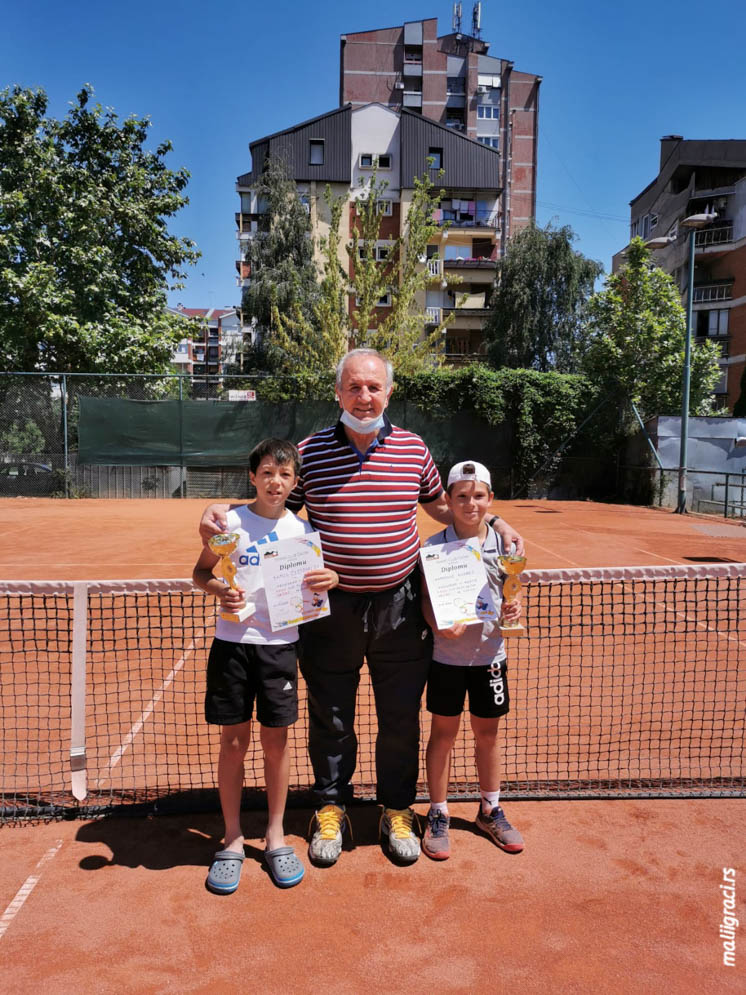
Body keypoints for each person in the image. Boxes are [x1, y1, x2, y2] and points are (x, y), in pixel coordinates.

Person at [199, 349, 523, 866]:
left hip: (401, 605)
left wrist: (498, 521)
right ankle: (331, 807)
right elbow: (274, 505)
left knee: (399, 716)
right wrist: (224, 512)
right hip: (329, 608)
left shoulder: (414, 449)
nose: (364, 397)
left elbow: (444, 505)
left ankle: (397, 809)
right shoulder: (309, 453)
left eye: (374, 387)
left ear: (389, 393)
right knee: (331, 714)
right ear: (338, 392)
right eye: (354, 387)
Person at [193, 438, 338, 892]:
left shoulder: (301, 533)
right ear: (253, 477)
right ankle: (233, 838)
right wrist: (220, 591)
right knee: (234, 742)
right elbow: (201, 573)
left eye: (286, 475)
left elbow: (314, 589)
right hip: (232, 645)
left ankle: (275, 835)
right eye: (268, 473)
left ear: (295, 483)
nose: (276, 482)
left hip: (280, 648)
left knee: (277, 742)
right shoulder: (230, 521)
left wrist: (329, 579)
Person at [420, 460, 524, 861]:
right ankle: (439, 812)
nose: (470, 503)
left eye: (478, 496)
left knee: (488, 736)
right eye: (461, 496)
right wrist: (437, 624)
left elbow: (512, 592)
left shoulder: (507, 546)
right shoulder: (433, 547)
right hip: (446, 658)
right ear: (448, 499)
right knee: (442, 735)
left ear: (490, 500)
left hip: (491, 657)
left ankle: (489, 809)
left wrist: (515, 608)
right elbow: (428, 602)